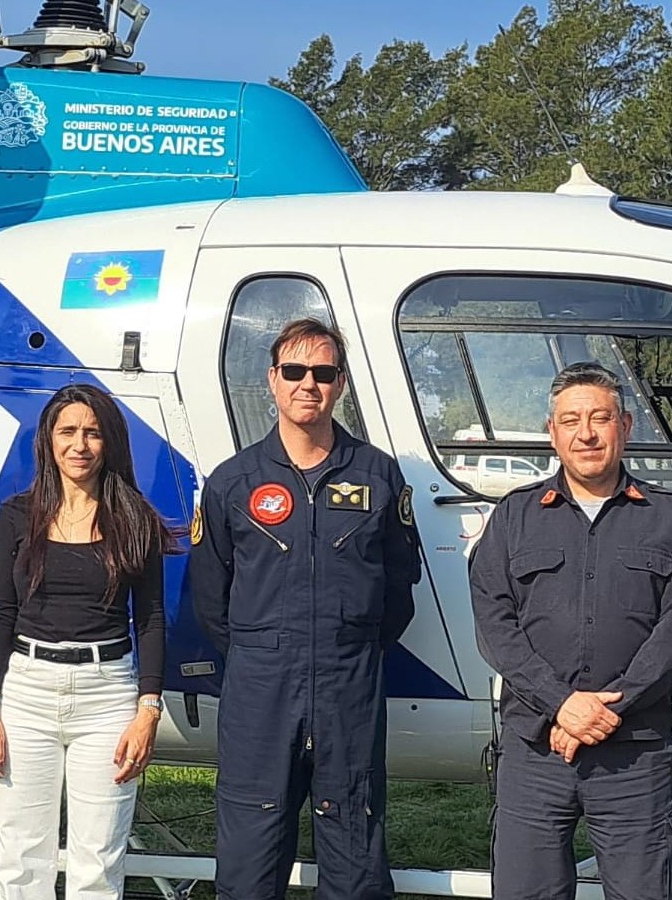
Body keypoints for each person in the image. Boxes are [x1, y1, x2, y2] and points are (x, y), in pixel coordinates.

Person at [187, 318, 420, 900]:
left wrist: (349, 646)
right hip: (260, 684)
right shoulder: (233, 482)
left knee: (354, 840)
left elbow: (399, 588)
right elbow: (210, 596)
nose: (307, 384)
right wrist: (264, 650)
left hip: (349, 682)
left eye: (322, 372)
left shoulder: (377, 476)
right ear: (272, 380)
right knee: (250, 845)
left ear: (340, 382)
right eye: (294, 371)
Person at [469, 361, 672, 900]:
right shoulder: (515, 517)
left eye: (600, 418)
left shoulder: (669, 516)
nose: (587, 433)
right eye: (571, 419)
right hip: (535, 754)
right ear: (552, 432)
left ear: (624, 425)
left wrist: (603, 710)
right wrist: (561, 704)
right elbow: (495, 623)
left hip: (632, 755)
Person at [0, 384, 178, 900]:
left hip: (107, 697)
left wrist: (147, 711)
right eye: (67, 431)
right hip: (27, 693)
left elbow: (151, 618)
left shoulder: (136, 519)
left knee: (99, 861)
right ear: (48, 440)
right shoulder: (16, 516)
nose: (79, 445)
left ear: (109, 441)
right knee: (21, 859)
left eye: (92, 432)